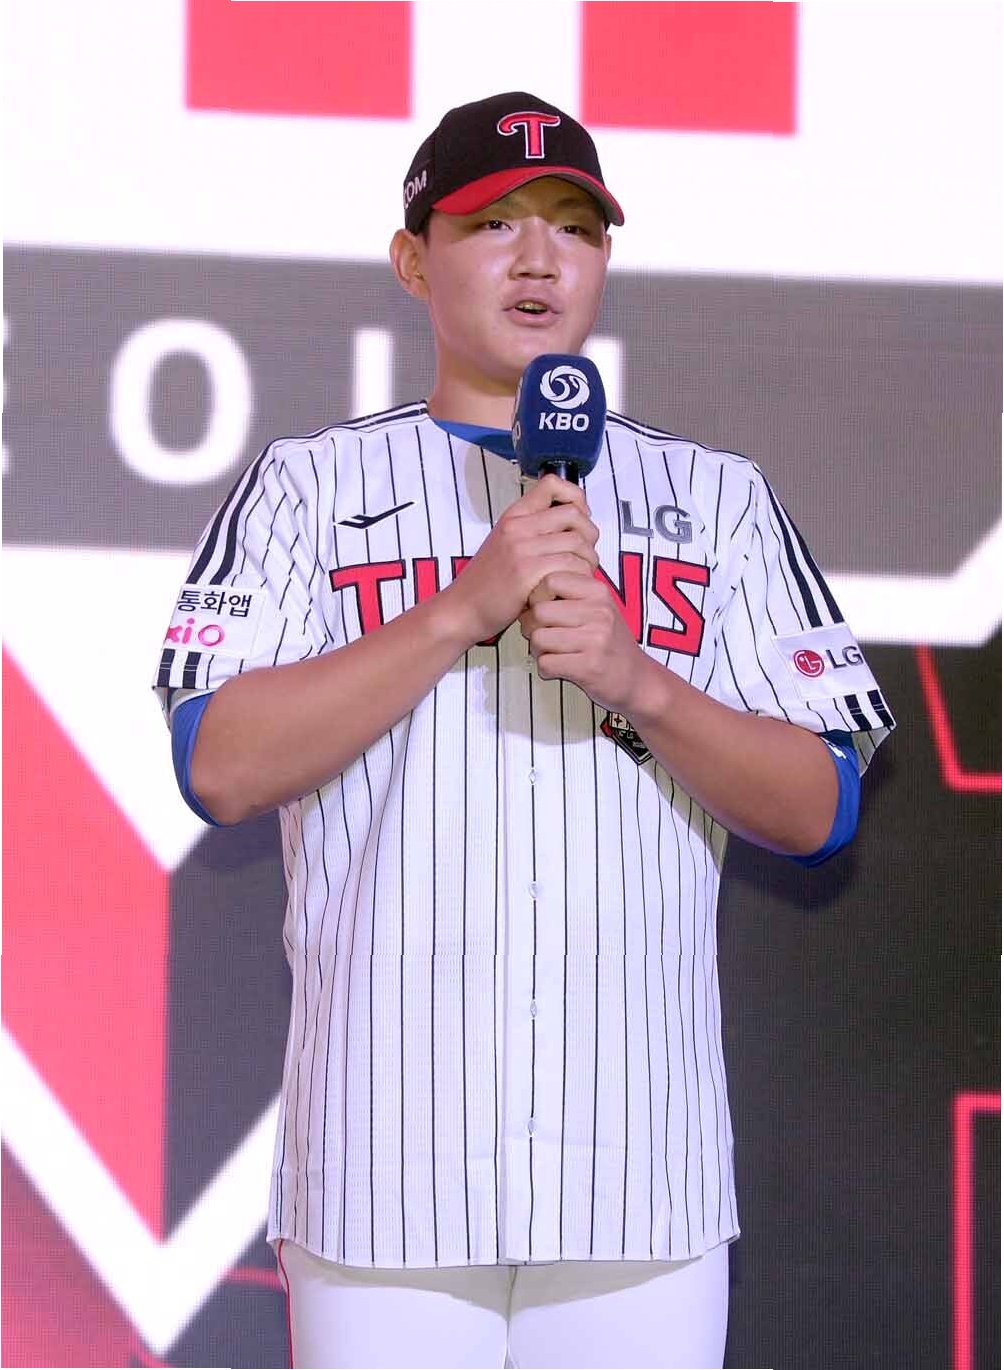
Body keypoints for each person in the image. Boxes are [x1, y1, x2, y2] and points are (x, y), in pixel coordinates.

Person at [154, 92, 894, 1370]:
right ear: (412, 259)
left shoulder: (714, 497)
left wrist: (639, 681)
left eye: (574, 226)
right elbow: (217, 764)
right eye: (492, 222)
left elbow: (821, 805)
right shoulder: (305, 485)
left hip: (638, 1179)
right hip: (381, 1172)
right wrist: (460, 609)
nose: (539, 257)